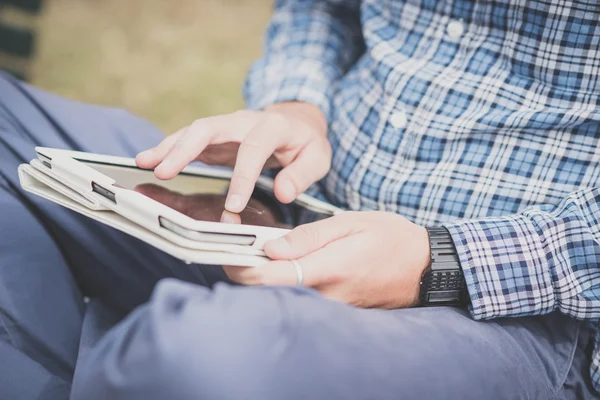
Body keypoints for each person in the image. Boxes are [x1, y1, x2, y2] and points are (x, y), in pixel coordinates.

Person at [1, 0, 599, 398]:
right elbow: (319, 7)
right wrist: (297, 106)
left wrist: (438, 263)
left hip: (506, 304)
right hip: (296, 208)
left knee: (202, 357)